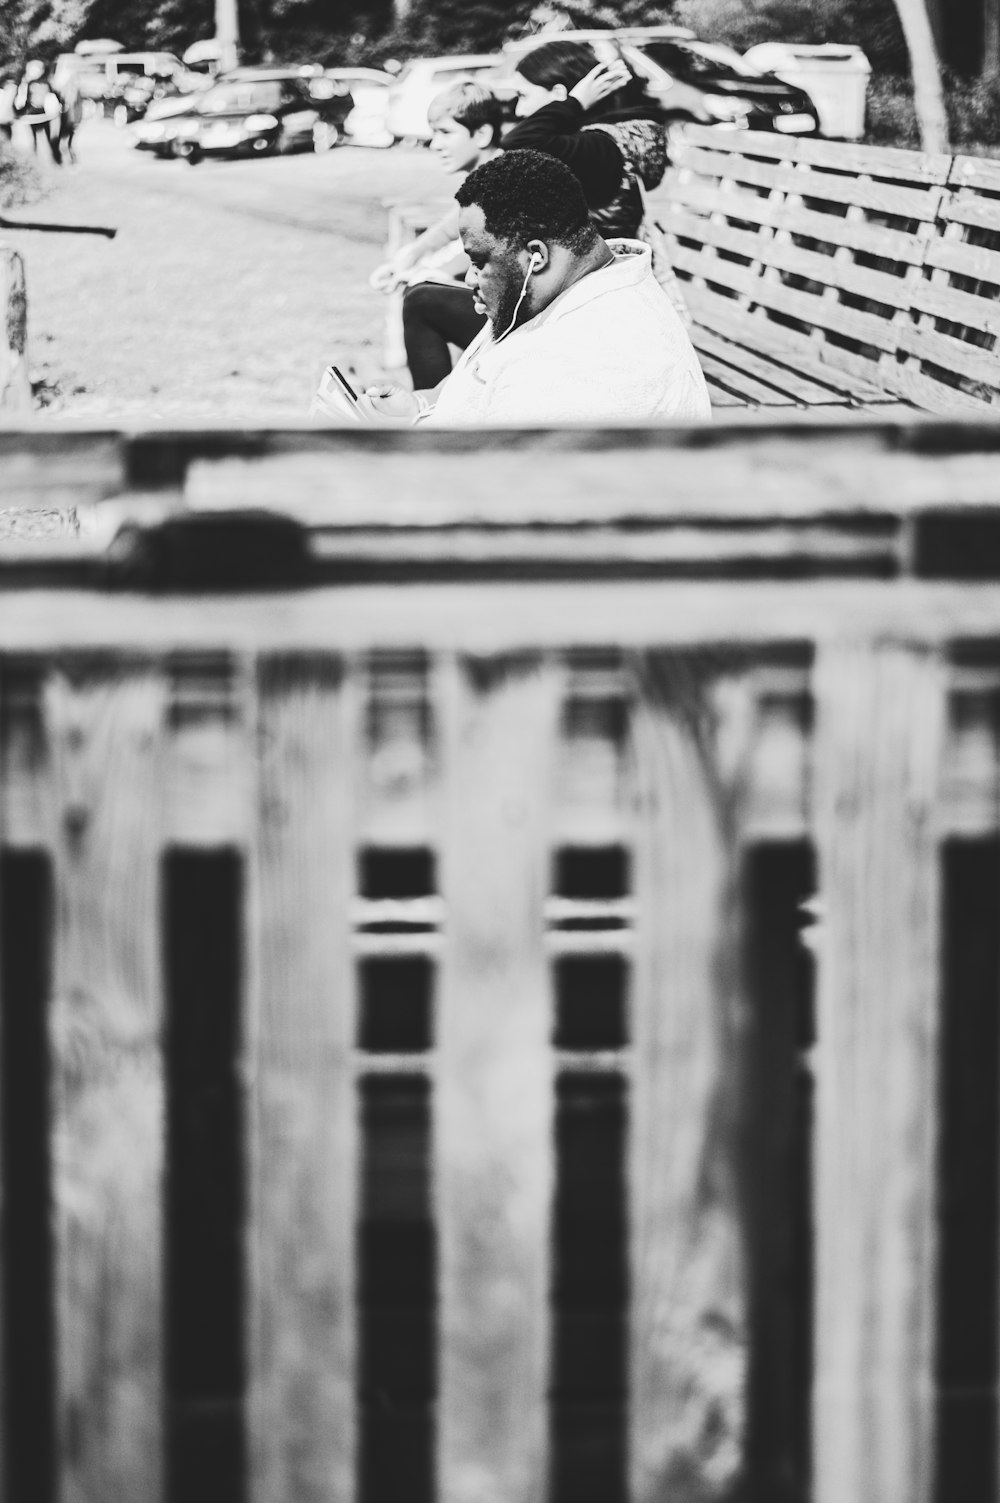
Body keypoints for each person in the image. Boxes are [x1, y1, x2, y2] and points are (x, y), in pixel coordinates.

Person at [358, 150, 710, 427]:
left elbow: (496, 489)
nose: (468, 278)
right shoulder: (564, 291)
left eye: (479, 261)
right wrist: (419, 408)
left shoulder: (581, 359)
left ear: (536, 256)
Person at [369, 82, 505, 387]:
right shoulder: (487, 175)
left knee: (421, 301)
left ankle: (430, 416)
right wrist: (411, 255)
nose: (435, 144)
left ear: (481, 134)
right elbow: (454, 224)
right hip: (508, 309)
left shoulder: (502, 180)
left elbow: (488, 245)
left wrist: (429, 272)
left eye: (445, 133)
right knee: (422, 293)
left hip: (525, 322)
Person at [504, 39, 667, 241]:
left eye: (523, 95)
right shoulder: (598, 140)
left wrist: (574, 102)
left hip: (602, 269)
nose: (519, 110)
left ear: (558, 94)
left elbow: (518, 141)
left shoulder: (600, 147)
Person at [14, 60, 63, 164]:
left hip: (46, 115)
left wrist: (59, 106)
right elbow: (24, 100)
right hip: (33, 115)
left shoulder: (47, 83)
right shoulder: (28, 83)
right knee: (33, 140)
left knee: (50, 138)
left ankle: (55, 160)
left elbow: (56, 96)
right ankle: (35, 161)